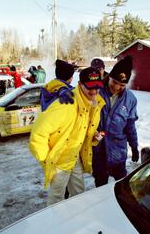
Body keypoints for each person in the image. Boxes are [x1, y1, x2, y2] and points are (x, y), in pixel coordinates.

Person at [29, 67, 105, 205]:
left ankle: (77, 218)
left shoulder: (93, 103)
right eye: (90, 87)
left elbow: (81, 127)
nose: (94, 91)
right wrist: (47, 159)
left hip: (74, 157)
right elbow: (38, 133)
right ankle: (57, 222)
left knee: (79, 193)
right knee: (56, 199)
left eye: (97, 87)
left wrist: (92, 136)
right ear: (80, 85)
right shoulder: (66, 104)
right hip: (59, 161)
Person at [92, 55, 139, 187]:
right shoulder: (96, 92)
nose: (117, 87)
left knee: (122, 187)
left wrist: (134, 146)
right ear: (109, 77)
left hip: (118, 152)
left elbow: (130, 126)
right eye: (114, 82)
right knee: (101, 186)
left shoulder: (130, 100)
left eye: (122, 85)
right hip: (98, 151)